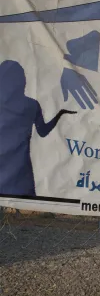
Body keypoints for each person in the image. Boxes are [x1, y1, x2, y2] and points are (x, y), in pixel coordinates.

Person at [0, 60, 76, 196]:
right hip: (21, 171)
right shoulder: (31, 105)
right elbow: (43, 131)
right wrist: (60, 114)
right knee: (24, 209)